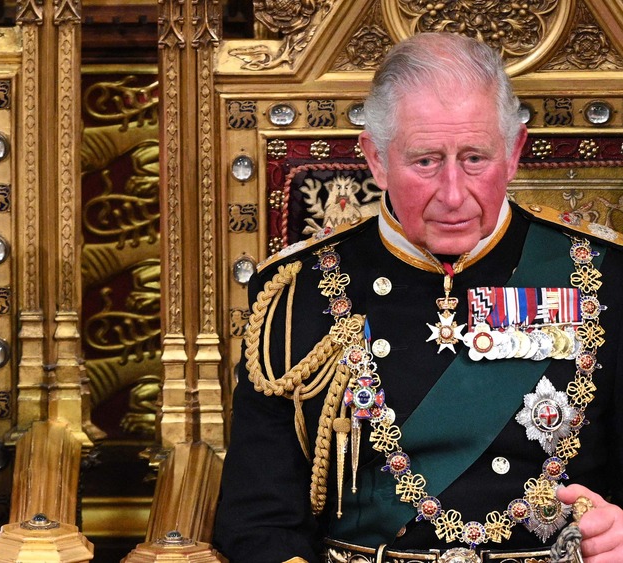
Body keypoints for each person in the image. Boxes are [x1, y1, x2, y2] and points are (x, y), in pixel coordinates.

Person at [213, 32, 623, 563]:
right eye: (425, 161)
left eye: (475, 158)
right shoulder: (298, 293)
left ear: (515, 152)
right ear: (377, 159)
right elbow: (258, 519)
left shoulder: (604, 282)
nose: (453, 193)